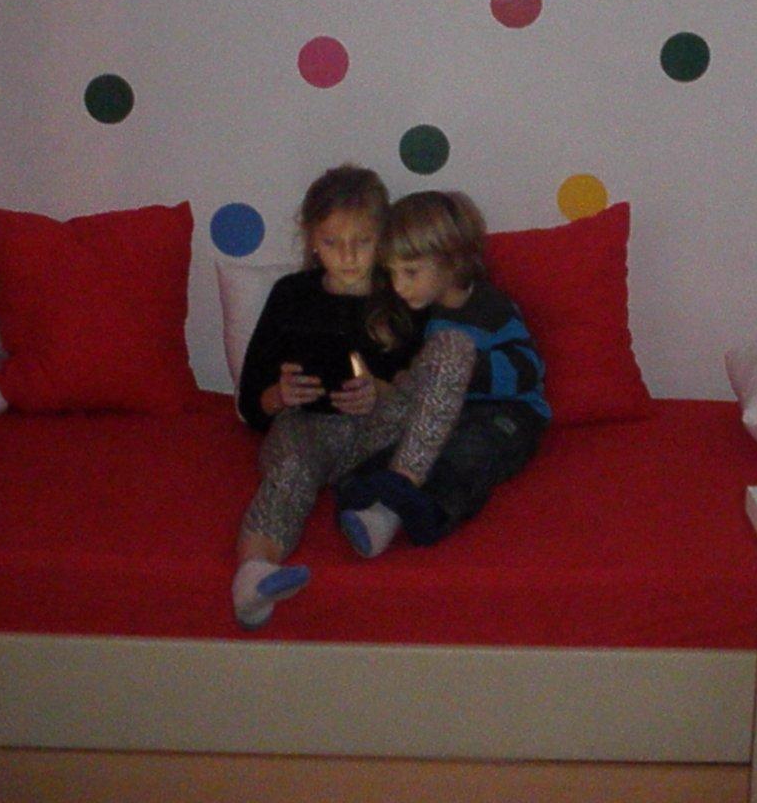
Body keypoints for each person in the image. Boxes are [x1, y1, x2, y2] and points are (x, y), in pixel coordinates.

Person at [231, 165, 476, 629]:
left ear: (382, 238)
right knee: (290, 470)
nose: (347, 257)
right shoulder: (291, 295)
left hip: (378, 438)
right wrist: (280, 395)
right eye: (331, 243)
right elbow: (250, 402)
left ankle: (391, 498)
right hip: (306, 429)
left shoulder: (402, 292)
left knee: (453, 349)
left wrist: (379, 393)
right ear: (311, 240)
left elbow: (425, 392)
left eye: (362, 242)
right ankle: (255, 572)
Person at [337, 190, 548, 558]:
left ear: (451, 260)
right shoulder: (431, 315)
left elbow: (529, 370)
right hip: (455, 412)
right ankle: (374, 496)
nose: (399, 286)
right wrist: (410, 383)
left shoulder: (491, 308)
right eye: (392, 272)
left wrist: (465, 371)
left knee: (467, 453)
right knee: (403, 442)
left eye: (410, 272)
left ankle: (428, 512)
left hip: (510, 413)